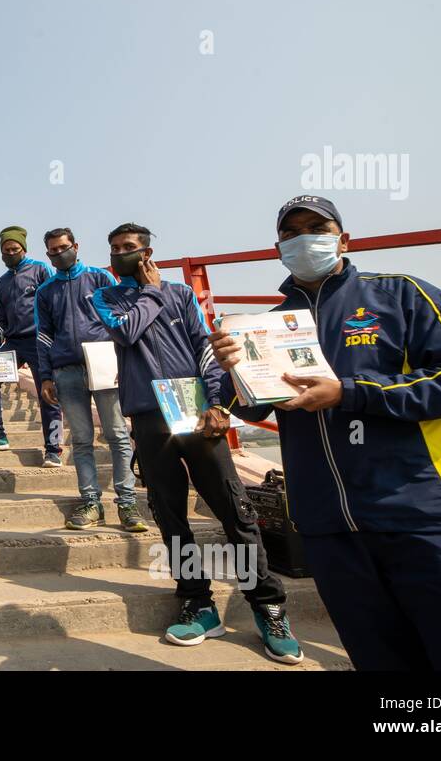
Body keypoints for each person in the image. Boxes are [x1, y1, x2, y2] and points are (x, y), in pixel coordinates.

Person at [209, 196, 441, 671]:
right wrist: (236, 370)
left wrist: (351, 393)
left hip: (431, 516)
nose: (304, 239)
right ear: (277, 247)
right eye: (291, 232)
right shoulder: (268, 325)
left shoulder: (401, 295)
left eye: (316, 227)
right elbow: (250, 403)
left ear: (343, 239)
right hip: (330, 529)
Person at [90, 222, 301, 664]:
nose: (120, 254)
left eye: (128, 247)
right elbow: (126, 333)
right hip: (149, 418)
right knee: (170, 516)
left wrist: (219, 402)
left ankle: (267, 606)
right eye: (114, 249)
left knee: (234, 509)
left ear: (148, 252)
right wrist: (150, 292)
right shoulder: (104, 298)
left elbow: (205, 348)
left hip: (197, 414)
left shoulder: (182, 295)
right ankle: (198, 602)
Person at [35, 227, 145, 532]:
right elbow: (43, 336)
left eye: (63, 247)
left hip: (104, 362)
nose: (59, 254)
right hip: (66, 370)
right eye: (53, 251)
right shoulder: (45, 291)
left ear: (76, 246)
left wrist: (126, 362)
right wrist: (45, 377)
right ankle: (91, 502)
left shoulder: (100, 278)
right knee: (81, 440)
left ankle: (127, 502)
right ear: (48, 254)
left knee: (117, 434)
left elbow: (123, 320)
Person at [0, 226, 63, 468]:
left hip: (39, 341)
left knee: (47, 392)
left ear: (24, 249)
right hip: (13, 342)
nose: (10, 253)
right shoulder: (3, 281)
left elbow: (53, 301)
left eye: (14, 249)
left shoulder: (40, 270)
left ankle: (53, 449)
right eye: (6, 250)